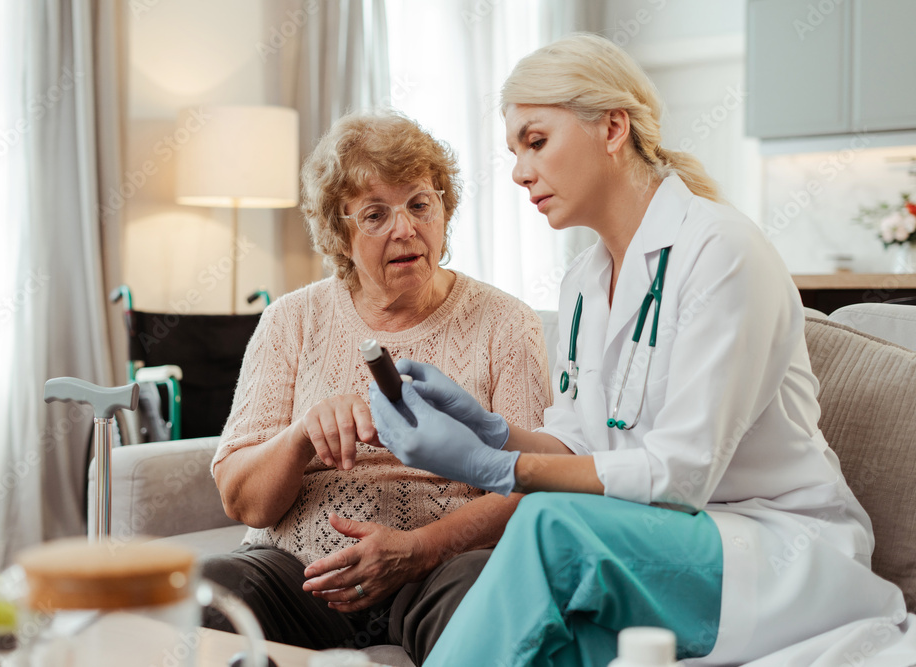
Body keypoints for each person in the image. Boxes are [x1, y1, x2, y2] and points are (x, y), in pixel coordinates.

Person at [369, 33, 909, 666]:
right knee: (556, 648)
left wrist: (497, 470)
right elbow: (578, 445)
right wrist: (489, 430)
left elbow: (680, 475)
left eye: (535, 142)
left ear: (612, 128)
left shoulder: (722, 252)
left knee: (550, 528)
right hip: (655, 551)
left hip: (775, 550)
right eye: (514, 152)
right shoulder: (583, 281)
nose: (518, 172)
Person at [203, 111, 551, 664]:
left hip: (439, 568)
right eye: (374, 214)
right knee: (209, 592)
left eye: (419, 203)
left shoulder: (507, 324)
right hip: (299, 571)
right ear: (339, 233)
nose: (405, 229)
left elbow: (532, 484)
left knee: (493, 595)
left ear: (444, 208)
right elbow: (242, 500)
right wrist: (300, 436)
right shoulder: (291, 321)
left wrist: (419, 548)